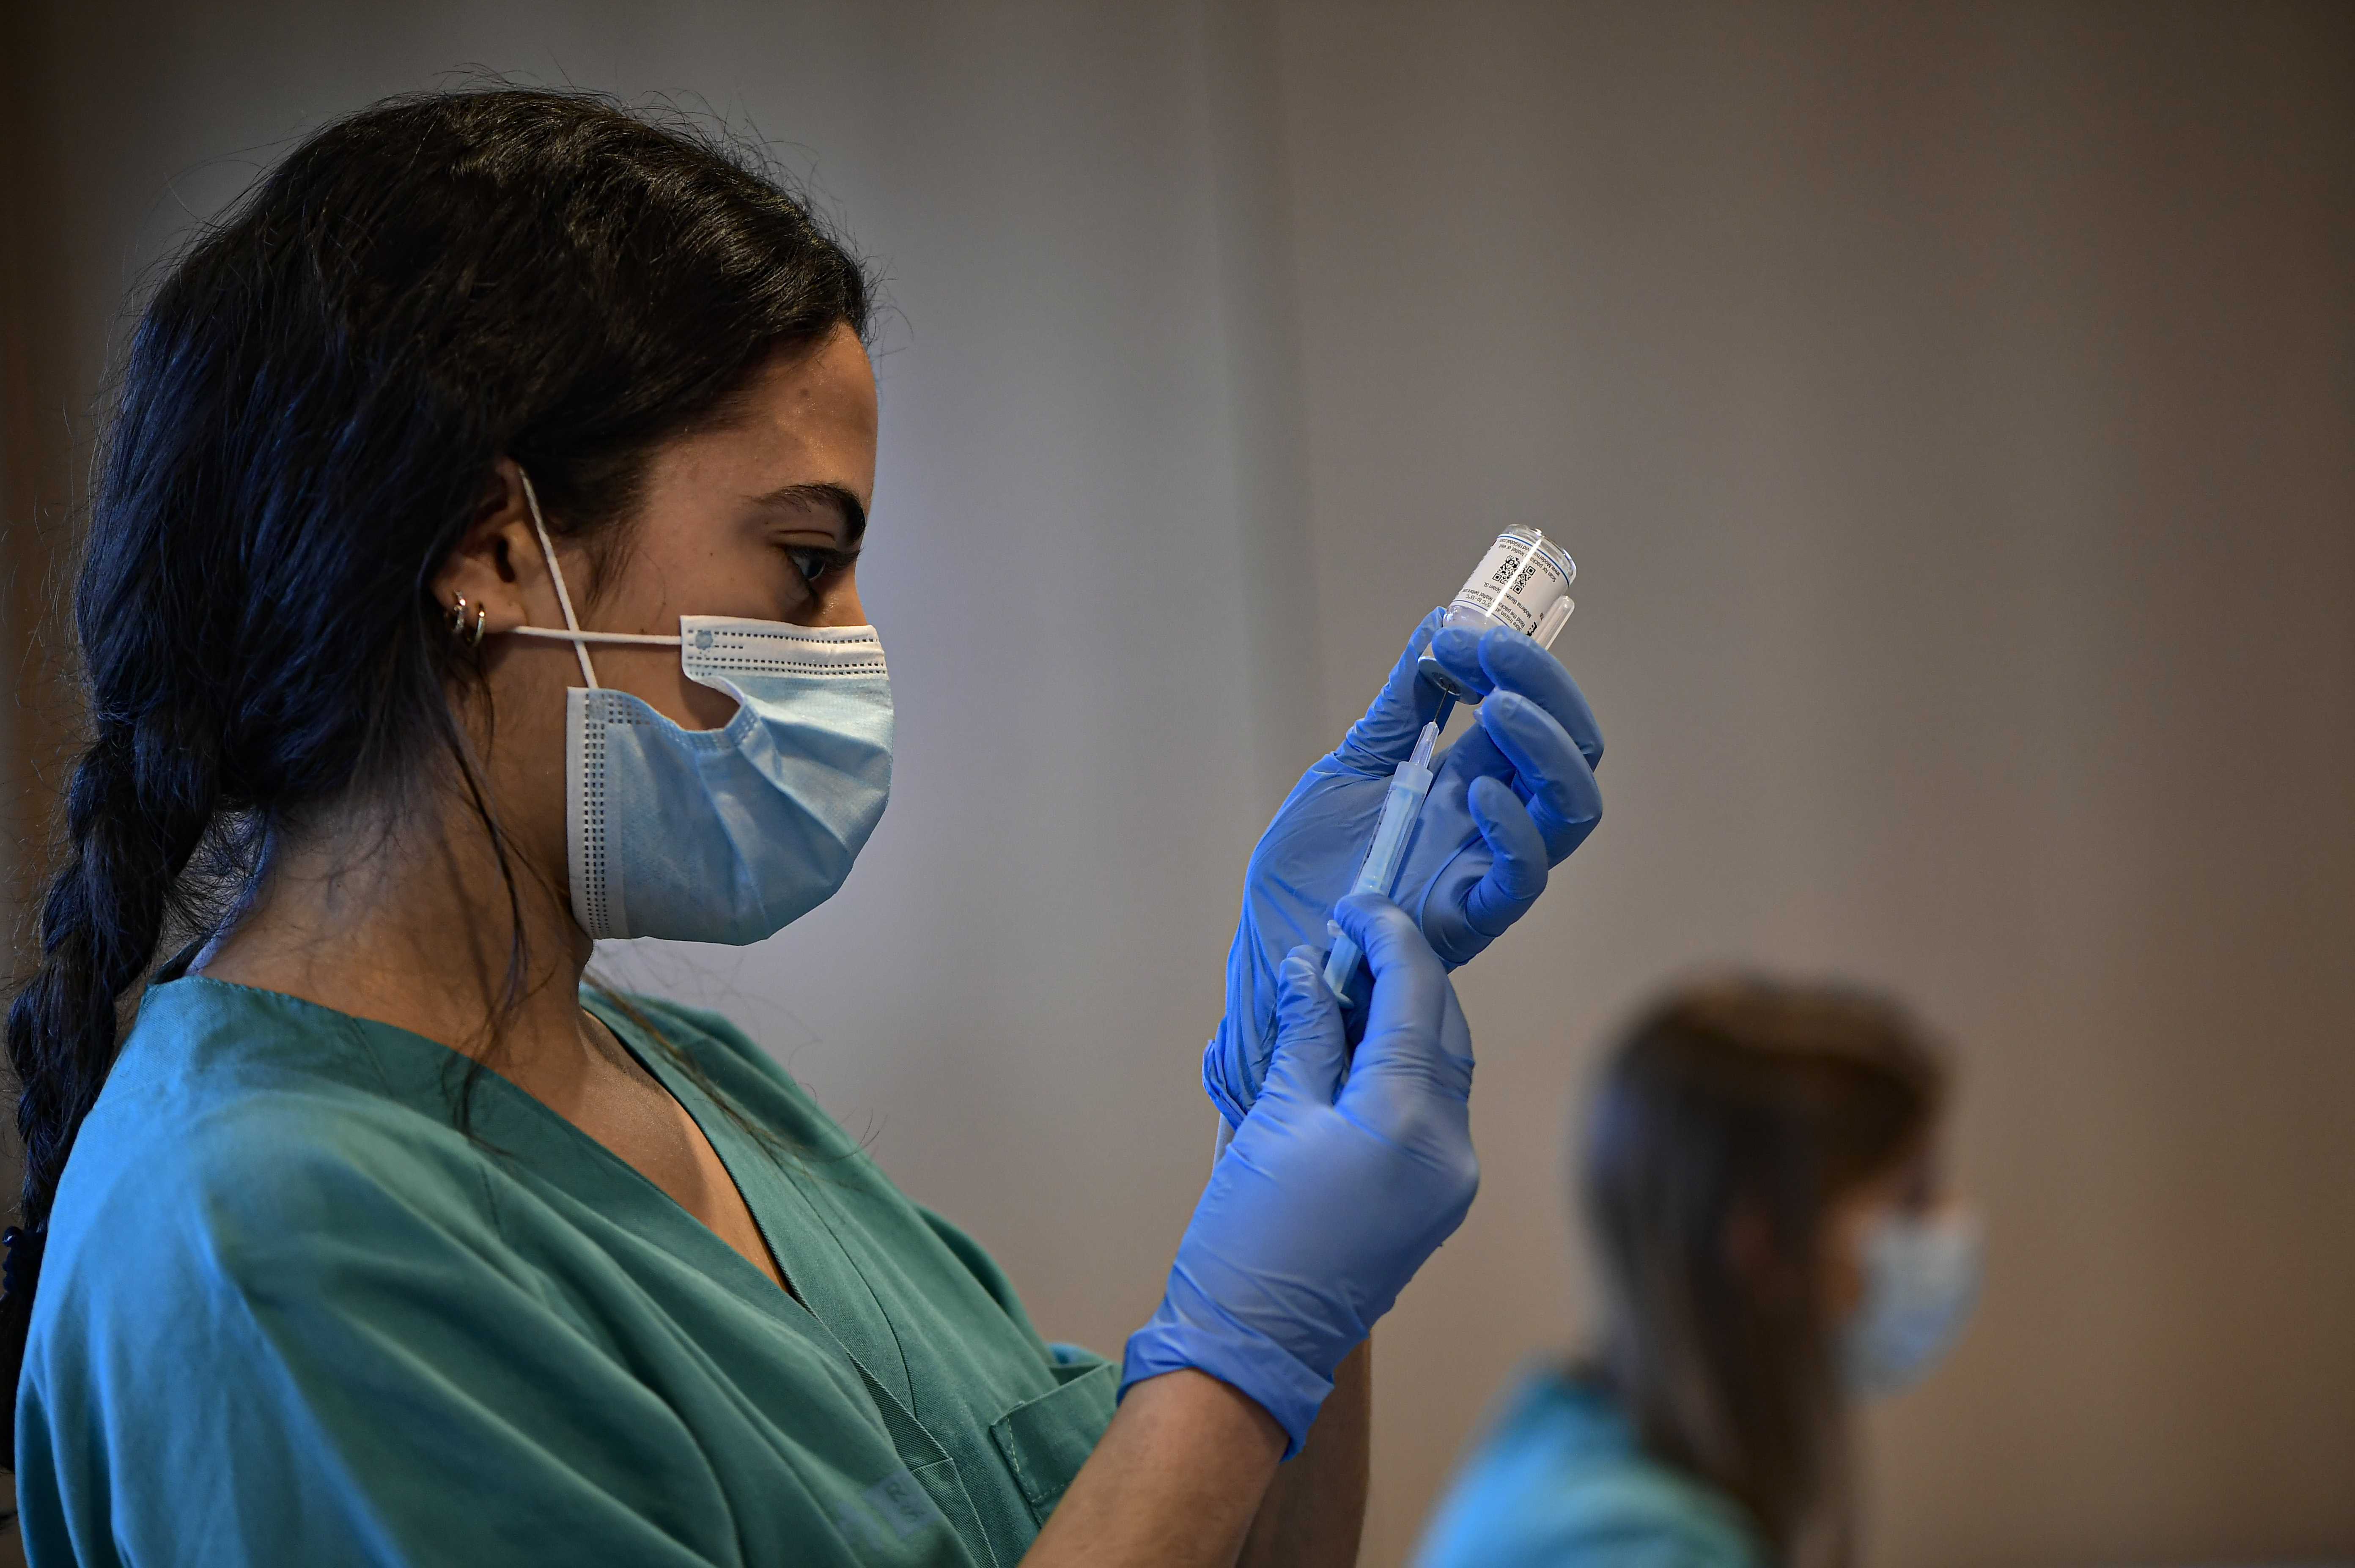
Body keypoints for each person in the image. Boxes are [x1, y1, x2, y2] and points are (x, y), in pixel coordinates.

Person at [0, 89, 1604, 1566]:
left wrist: (1287, 1150)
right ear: (490, 550)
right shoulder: (271, 1244)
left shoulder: (676, 1088)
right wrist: (1237, 1351)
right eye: (800, 559)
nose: (850, 645)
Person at [1412, 978, 1980, 1568]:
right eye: (1911, 1198)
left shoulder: (1575, 1435)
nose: (1948, 1224)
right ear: (1764, 1245)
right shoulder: (1629, 1547)